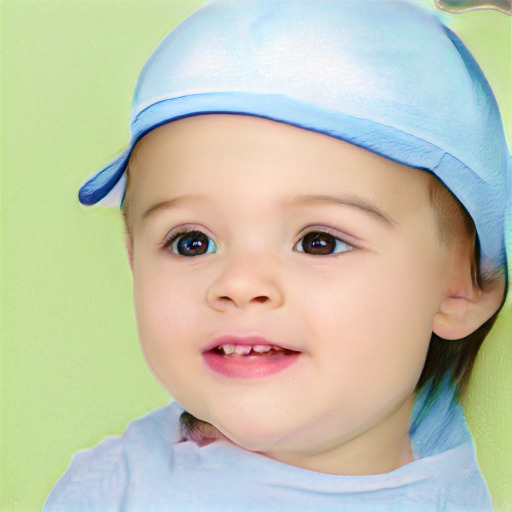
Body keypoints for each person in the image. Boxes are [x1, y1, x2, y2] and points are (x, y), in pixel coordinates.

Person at [43, 1, 511, 510]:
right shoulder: (111, 490)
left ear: (461, 283)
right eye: (190, 242)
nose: (240, 283)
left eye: (319, 241)